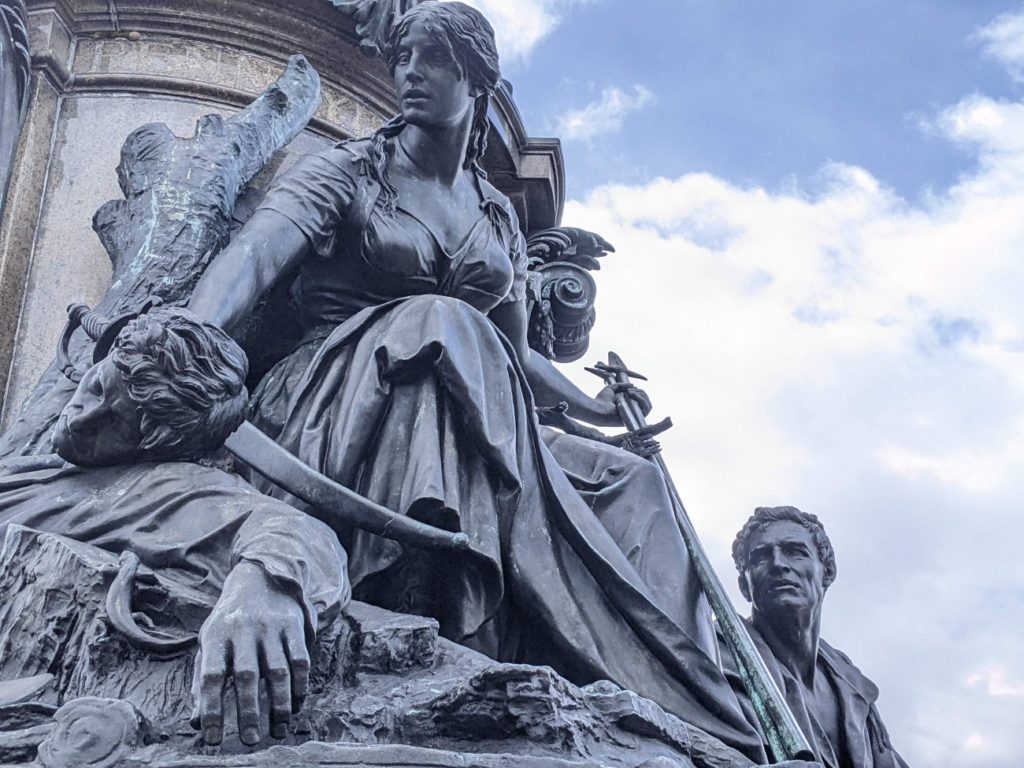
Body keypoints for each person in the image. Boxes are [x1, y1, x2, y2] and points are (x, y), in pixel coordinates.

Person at [187, 2, 765, 759]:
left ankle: (682, 708)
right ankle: (424, 608)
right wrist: (191, 329)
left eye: (432, 60)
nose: (409, 76)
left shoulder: (497, 217)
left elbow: (512, 359)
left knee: (629, 482)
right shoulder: (352, 168)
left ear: (477, 80)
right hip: (330, 394)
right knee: (441, 324)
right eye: (401, 60)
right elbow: (257, 256)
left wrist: (593, 410)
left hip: (466, 387)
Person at [0, 307, 351, 747]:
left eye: (116, 424)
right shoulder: (23, 472)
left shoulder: (165, 488)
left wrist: (263, 588)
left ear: (158, 447)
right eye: (96, 387)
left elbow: (295, 531)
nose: (81, 419)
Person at [729, 506, 909, 768]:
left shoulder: (850, 684)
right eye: (760, 557)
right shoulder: (717, 655)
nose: (778, 564)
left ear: (827, 572)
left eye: (795, 552)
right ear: (745, 586)